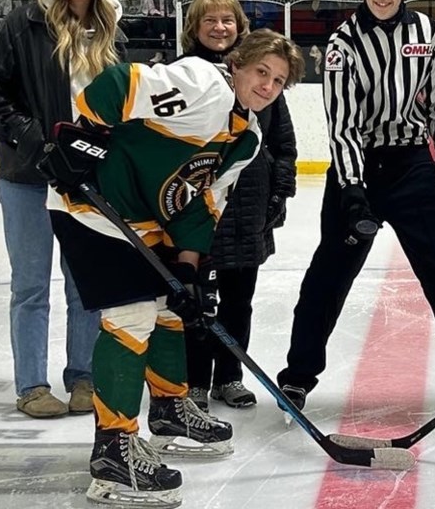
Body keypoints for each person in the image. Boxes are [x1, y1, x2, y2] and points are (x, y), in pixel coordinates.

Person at [43, 29, 304, 507]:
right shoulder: (204, 83)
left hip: (145, 218)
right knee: (131, 316)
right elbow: (120, 84)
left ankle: (168, 410)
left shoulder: (246, 138)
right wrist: (82, 141)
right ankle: (112, 452)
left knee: (169, 308)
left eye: (279, 81)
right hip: (92, 207)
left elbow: (201, 203)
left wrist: (188, 267)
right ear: (238, 64)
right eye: (261, 72)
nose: (267, 85)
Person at [276, 0, 435, 422]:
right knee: (328, 275)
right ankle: (297, 375)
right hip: (359, 170)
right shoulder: (343, 43)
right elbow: (344, 123)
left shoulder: (428, 32)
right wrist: (353, 190)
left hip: (413, 165)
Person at [0, 0, 127, 418]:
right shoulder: (24, 23)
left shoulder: (110, 29)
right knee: (31, 285)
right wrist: (32, 138)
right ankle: (32, 386)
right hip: (28, 177)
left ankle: (83, 377)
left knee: (85, 284)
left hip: (86, 179)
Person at [179, 0, 298, 411]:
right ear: (195, 26)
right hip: (195, 210)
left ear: (239, 25)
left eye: (227, 19)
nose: (219, 26)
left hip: (248, 207)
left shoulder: (261, 73)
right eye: (210, 19)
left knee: (238, 300)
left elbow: (283, 143)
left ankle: (228, 376)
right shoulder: (183, 73)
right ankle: (192, 381)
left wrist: (278, 193)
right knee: (192, 300)